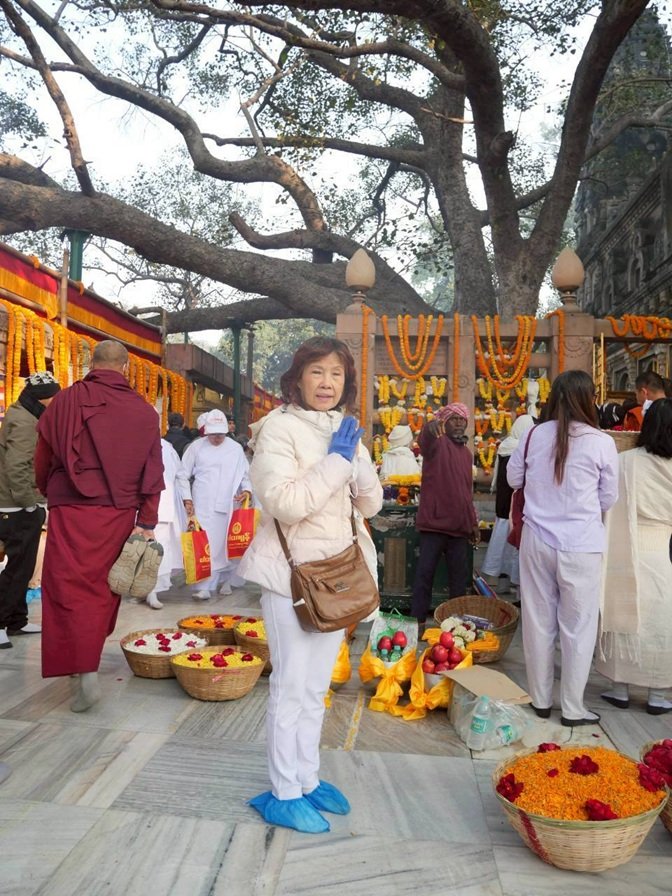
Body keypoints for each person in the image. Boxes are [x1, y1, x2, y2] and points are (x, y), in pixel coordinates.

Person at [239, 336, 382, 834]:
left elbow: (371, 505)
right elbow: (287, 503)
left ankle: (307, 777)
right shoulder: (277, 429)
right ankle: (282, 791)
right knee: (291, 687)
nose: (327, 383)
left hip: (338, 574)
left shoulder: (342, 429)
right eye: (317, 372)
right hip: (291, 577)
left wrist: (357, 461)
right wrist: (337, 462)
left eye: (337, 374)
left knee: (317, 687)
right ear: (297, 378)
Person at [35, 340, 164, 712]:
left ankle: (79, 667)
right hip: (117, 511)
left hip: (70, 507)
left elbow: (42, 456)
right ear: (124, 367)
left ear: (92, 364)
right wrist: (148, 520)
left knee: (64, 587)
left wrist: (50, 490)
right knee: (101, 589)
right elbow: (153, 472)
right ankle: (86, 662)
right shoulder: (142, 412)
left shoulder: (64, 401)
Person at [507, 370, 618, 727]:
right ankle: (572, 708)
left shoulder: (534, 434)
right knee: (578, 627)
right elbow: (608, 498)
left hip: (537, 539)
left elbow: (513, 479)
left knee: (538, 622)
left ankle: (540, 700)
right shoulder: (602, 442)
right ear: (589, 399)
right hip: (582, 544)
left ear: (553, 396)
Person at [597, 398, 672, 715]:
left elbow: (607, 504)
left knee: (623, 614)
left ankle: (619, 688)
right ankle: (658, 694)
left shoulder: (625, 462)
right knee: (661, 622)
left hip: (624, 546)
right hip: (663, 551)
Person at [0, 372, 61, 648]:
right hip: (14, 506)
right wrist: (30, 503)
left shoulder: (25, 413)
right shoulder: (24, 422)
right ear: (43, 397)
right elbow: (17, 467)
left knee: (23, 567)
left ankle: (17, 621)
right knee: (15, 568)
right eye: (55, 397)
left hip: (18, 503)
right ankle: (1, 622)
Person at [410, 402, 479, 627]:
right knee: (424, 576)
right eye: (454, 419)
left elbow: (467, 492)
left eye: (462, 420)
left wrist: (473, 522)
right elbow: (425, 441)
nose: (459, 423)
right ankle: (417, 622)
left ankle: (455, 625)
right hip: (434, 525)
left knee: (459, 582)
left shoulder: (467, 455)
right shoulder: (437, 445)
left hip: (459, 527)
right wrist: (430, 427)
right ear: (445, 423)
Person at [181, 408, 252, 599]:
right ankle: (205, 586)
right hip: (202, 501)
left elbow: (245, 474)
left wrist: (247, 490)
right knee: (206, 544)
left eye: (221, 435)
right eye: (213, 435)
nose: (217, 439)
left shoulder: (235, 449)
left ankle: (226, 580)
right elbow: (182, 474)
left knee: (226, 545)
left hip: (229, 502)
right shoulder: (196, 447)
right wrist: (187, 498)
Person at [481, 414, 535, 598]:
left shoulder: (506, 446)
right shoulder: (519, 448)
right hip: (514, 506)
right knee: (513, 549)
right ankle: (516, 587)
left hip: (503, 505)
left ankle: (503, 583)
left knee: (503, 547)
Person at [144, 437, 193, 609]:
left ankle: (153, 590)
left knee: (161, 549)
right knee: (141, 550)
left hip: (165, 506)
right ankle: (144, 588)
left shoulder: (168, 447)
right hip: (141, 505)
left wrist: (187, 499)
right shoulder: (133, 441)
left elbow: (180, 475)